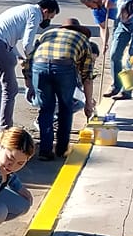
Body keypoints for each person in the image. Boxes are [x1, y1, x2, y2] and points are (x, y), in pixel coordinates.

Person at [0, 0, 57, 135]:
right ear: (45, 11)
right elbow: (27, 43)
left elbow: (10, 38)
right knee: (10, 89)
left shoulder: (24, 9)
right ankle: (6, 128)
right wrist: (33, 59)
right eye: (50, 16)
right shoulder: (35, 14)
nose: (48, 20)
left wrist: (19, 56)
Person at [30, 14, 97, 160]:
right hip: (64, 67)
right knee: (65, 108)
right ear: (80, 31)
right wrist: (88, 103)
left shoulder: (48, 34)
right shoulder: (83, 41)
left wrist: (30, 85)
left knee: (46, 109)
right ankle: (61, 149)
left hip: (38, 66)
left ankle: (45, 151)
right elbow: (87, 77)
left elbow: (30, 59)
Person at [107, 0, 133, 99]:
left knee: (132, 58)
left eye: (124, 13)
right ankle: (116, 87)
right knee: (114, 55)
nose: (122, 15)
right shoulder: (121, 11)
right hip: (123, 26)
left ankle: (127, 91)